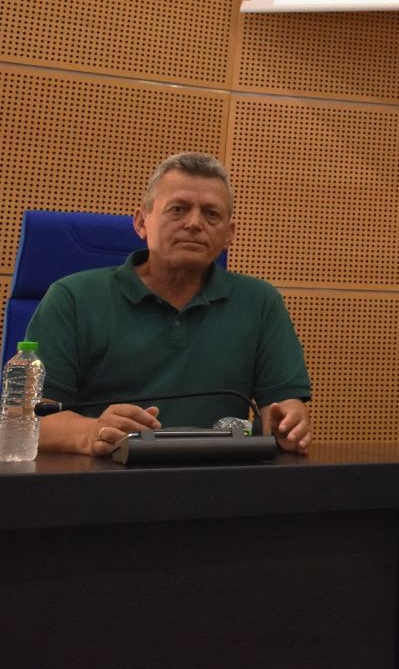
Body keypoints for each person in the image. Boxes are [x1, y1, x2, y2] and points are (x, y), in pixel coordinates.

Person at [27, 153, 313, 456]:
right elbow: (26, 418)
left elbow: (281, 407)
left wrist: (287, 424)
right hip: (104, 474)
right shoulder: (72, 297)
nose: (194, 223)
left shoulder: (260, 302)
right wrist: (91, 432)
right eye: (178, 209)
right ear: (141, 222)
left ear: (229, 234)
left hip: (220, 475)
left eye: (211, 214)